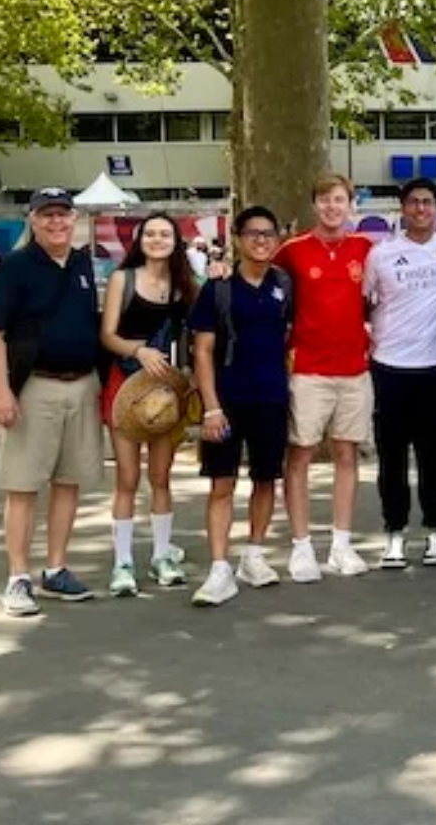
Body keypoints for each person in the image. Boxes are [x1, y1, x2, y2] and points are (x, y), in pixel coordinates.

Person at [0, 187, 105, 617]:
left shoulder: (84, 264)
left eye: (63, 215)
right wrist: (0, 390)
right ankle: (18, 576)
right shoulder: (13, 269)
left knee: (69, 481)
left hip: (83, 384)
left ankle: (56, 568)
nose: (56, 223)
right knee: (23, 485)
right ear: (33, 220)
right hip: (35, 386)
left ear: (74, 219)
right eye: (47, 216)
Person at [366, 177, 436, 570]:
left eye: (428, 203)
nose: (421, 209)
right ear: (402, 208)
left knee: (433, 457)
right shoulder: (381, 255)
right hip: (389, 368)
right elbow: (363, 304)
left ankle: (434, 531)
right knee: (391, 456)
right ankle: (394, 533)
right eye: (413, 203)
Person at [189, 206, 293, 607]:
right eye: (253, 233)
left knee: (266, 479)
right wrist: (211, 407)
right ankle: (219, 568)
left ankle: (253, 554)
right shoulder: (218, 290)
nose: (261, 240)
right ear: (237, 237)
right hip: (228, 400)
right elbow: (202, 352)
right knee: (222, 483)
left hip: (271, 397)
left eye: (269, 233)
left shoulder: (283, 284)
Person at [274, 174, 375, 583]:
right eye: (324, 200)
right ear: (314, 205)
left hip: (355, 369)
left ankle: (341, 544)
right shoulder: (292, 252)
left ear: (351, 204)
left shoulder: (367, 249)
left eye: (339, 200)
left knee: (346, 455)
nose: (332, 207)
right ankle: (301, 547)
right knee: (299, 454)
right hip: (308, 369)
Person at [99, 212, 200, 596]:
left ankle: (162, 555)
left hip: (167, 393)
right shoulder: (122, 280)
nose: (157, 240)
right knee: (127, 478)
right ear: (139, 240)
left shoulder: (184, 285)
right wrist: (138, 351)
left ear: (176, 241)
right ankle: (122, 561)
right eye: (150, 234)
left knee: (161, 476)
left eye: (165, 234)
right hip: (125, 385)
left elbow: (196, 330)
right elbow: (107, 335)